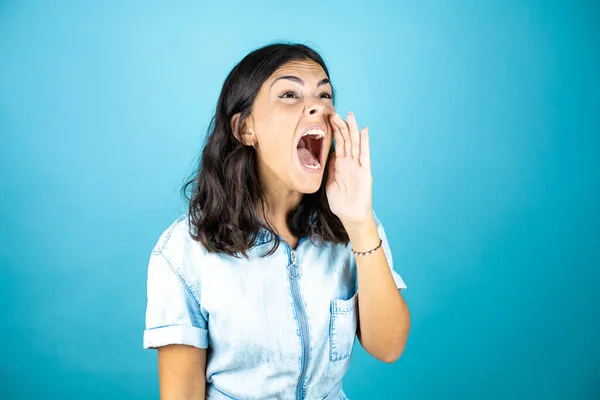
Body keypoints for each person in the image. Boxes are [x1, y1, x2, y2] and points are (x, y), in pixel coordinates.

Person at [143, 42, 410, 400]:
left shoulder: (352, 223)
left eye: (325, 94)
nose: (318, 105)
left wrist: (360, 222)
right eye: (289, 94)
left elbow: (388, 346)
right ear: (245, 129)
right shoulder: (184, 250)